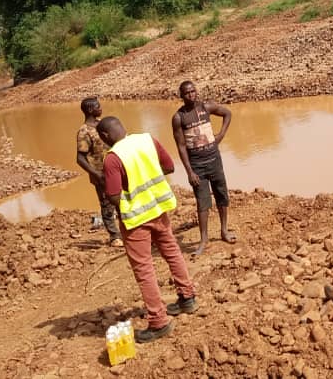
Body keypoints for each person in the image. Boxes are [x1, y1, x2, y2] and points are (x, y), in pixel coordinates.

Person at [97, 116, 197, 343]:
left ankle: (158, 321)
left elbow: (113, 196)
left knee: (144, 270)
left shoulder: (112, 158)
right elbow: (169, 167)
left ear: (104, 137)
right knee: (172, 252)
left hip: (136, 219)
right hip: (159, 208)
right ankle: (187, 297)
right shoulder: (147, 139)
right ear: (123, 127)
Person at [172, 81, 235, 256]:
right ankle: (204, 240)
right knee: (202, 202)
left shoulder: (206, 107)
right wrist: (189, 172)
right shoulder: (179, 117)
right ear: (182, 96)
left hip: (215, 160)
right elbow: (181, 146)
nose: (191, 94)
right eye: (187, 93)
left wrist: (221, 134)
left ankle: (224, 231)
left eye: (193, 91)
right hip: (197, 165)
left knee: (222, 195)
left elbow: (227, 113)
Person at [76, 97, 122, 247]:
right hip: (101, 174)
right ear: (90, 110)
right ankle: (115, 236)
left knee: (123, 200)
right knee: (107, 205)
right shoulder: (84, 131)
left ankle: (128, 230)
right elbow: (80, 158)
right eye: (98, 106)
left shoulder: (103, 124)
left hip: (115, 169)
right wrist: (97, 174)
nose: (100, 108)